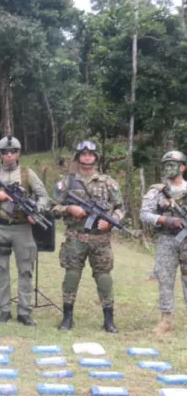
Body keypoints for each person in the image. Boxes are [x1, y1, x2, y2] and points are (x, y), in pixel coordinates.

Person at [0, 135, 51, 326]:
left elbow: (44, 197)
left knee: (26, 270)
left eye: (13, 151)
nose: (9, 155)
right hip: (0, 227)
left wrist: (36, 211)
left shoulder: (27, 173)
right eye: (5, 152)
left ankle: (24, 312)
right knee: (1, 270)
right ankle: (4, 310)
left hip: (23, 228)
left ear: (18, 153)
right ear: (0, 154)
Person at [52, 141, 124, 333]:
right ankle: (67, 318)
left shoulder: (108, 182)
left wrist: (111, 222)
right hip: (75, 237)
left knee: (104, 277)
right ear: (78, 157)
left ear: (96, 157)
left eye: (90, 154)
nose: (87, 157)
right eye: (83, 154)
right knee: (72, 275)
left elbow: (120, 208)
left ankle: (109, 320)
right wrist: (69, 208)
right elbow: (52, 206)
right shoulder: (67, 182)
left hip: (101, 240)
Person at [140, 150, 187, 334]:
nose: (168, 168)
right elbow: (144, 214)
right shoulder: (157, 191)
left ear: (182, 168)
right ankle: (166, 320)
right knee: (165, 280)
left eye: (172, 165)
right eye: (165, 165)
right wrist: (164, 220)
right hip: (166, 240)